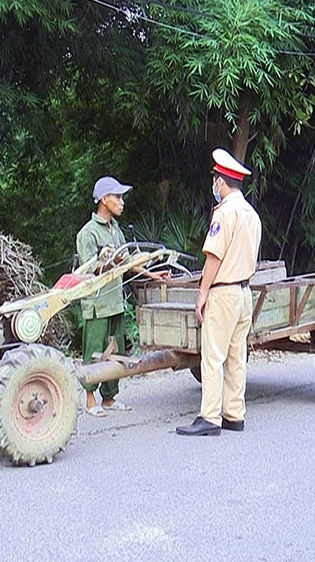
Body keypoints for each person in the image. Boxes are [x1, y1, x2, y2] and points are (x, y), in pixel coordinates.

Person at [176, 149, 262, 437]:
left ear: (222, 183)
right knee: (237, 357)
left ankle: (210, 418)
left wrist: (202, 293)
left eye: (215, 180)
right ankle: (234, 415)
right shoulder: (252, 215)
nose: (214, 186)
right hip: (244, 293)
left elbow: (213, 257)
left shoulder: (224, 213)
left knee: (213, 358)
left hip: (223, 293)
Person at [77, 176, 168, 418]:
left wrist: (153, 274)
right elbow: (88, 270)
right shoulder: (88, 233)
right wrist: (108, 262)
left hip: (115, 301)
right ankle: (89, 400)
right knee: (94, 351)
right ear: (104, 200)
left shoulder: (115, 229)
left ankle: (109, 397)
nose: (122, 201)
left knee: (115, 348)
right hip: (97, 304)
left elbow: (127, 261)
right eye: (117, 197)